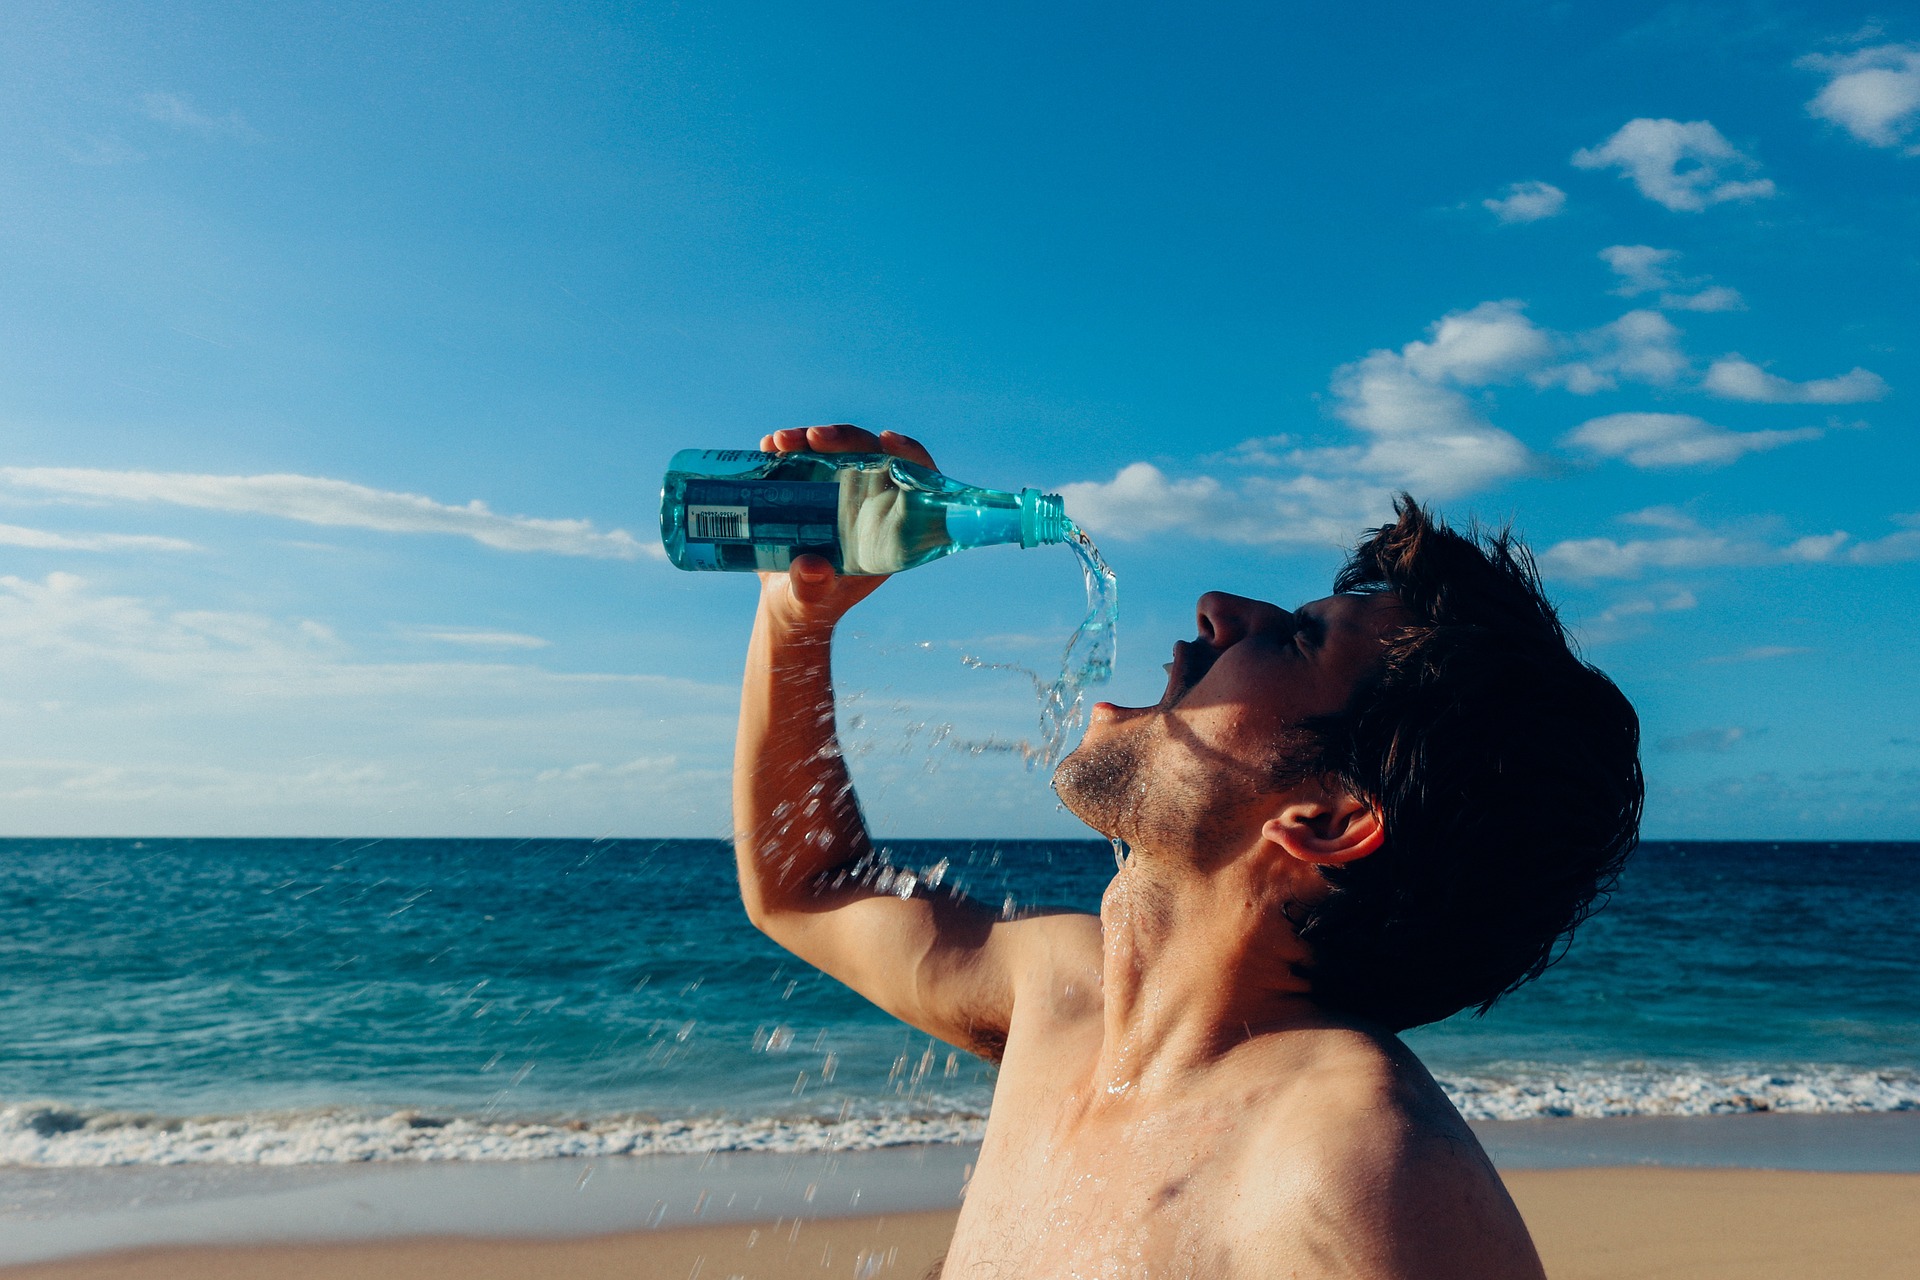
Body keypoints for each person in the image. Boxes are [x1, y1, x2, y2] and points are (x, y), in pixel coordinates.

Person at [733, 424, 1643, 1278]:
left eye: (1296, 638)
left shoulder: (1356, 1165)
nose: (1217, 610)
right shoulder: (1062, 995)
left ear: (1328, 820)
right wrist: (797, 619)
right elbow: (807, 888)